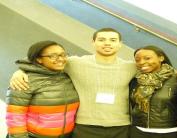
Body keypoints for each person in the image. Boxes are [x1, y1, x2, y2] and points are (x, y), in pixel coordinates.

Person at [9, 28, 137, 138]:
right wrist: (20, 71)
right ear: (93, 42)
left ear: (120, 44)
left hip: (121, 126)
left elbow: (154, 67)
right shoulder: (75, 63)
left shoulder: (132, 67)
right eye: (102, 39)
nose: (107, 43)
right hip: (84, 126)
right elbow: (43, 59)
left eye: (113, 40)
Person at [6, 41, 79, 138]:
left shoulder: (68, 76)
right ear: (38, 59)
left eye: (63, 54)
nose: (61, 59)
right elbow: (15, 117)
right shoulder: (23, 80)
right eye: (53, 56)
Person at [129, 45, 177, 138]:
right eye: (137, 60)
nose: (142, 62)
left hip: (168, 132)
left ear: (161, 58)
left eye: (147, 58)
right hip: (138, 131)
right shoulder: (135, 80)